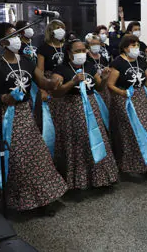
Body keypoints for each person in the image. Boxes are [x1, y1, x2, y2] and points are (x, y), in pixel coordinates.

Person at [0, 23, 67, 212]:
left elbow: (42, 81)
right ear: (0, 41)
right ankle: (17, 199)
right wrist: (4, 98)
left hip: (23, 114)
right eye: (11, 35)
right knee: (15, 159)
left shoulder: (27, 60)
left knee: (35, 156)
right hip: (2, 115)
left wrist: (53, 82)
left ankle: (41, 198)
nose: (16, 38)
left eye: (17, 35)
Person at [50, 39, 118, 189]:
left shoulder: (89, 65)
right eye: (77, 51)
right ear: (69, 53)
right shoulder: (61, 69)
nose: (82, 53)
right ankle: (80, 179)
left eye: (83, 50)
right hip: (72, 108)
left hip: (92, 106)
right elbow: (56, 92)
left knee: (97, 138)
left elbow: (99, 87)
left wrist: (105, 78)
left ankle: (100, 177)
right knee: (79, 141)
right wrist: (72, 82)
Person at [107, 34, 147, 179]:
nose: (135, 48)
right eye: (132, 45)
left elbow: (146, 79)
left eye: (137, 45)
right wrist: (122, 93)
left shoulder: (140, 60)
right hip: (124, 100)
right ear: (125, 47)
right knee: (131, 131)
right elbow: (110, 85)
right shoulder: (118, 62)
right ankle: (133, 165)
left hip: (140, 98)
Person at [36, 20, 67, 126]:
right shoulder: (44, 48)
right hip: (50, 81)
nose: (61, 30)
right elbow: (40, 71)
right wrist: (42, 90)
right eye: (57, 28)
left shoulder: (67, 46)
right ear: (51, 31)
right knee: (54, 114)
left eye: (62, 28)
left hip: (67, 80)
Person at [87, 35, 112, 105]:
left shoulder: (103, 58)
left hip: (103, 86)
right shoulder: (86, 57)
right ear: (89, 45)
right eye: (93, 44)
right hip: (92, 87)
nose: (96, 46)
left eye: (97, 44)